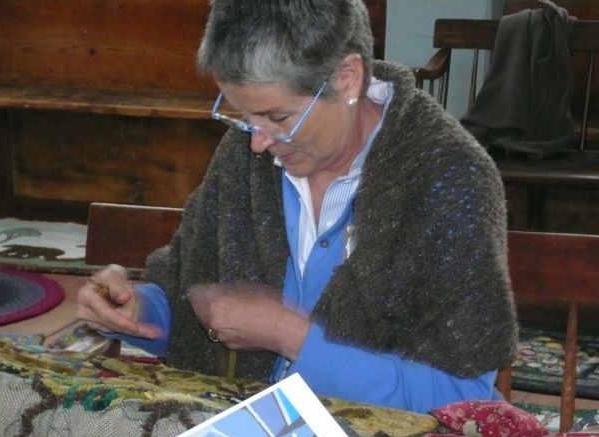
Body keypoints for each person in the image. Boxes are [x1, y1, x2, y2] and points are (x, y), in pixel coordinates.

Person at [77, 0, 518, 414]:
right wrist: (136, 310)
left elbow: (463, 399)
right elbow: (188, 297)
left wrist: (290, 336)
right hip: (243, 431)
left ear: (347, 78)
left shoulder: (449, 178)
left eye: (278, 118)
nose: (257, 142)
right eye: (244, 116)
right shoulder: (244, 157)